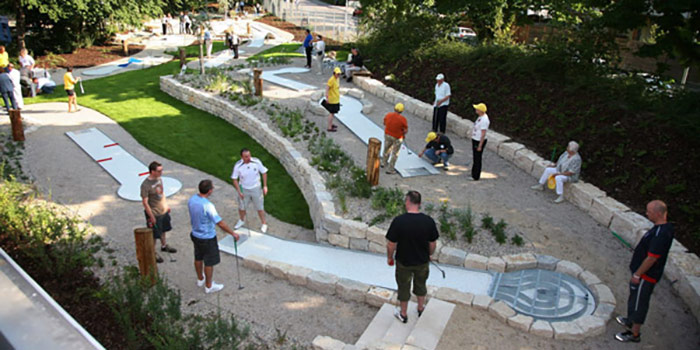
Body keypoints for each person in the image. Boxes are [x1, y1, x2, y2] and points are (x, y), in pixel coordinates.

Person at [614, 200, 673, 343]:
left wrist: (637, 274)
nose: (646, 214)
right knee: (634, 298)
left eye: (649, 212)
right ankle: (630, 320)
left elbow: (652, 258)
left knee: (640, 303)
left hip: (646, 276)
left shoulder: (661, 234)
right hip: (642, 274)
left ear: (658, 213)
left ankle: (634, 334)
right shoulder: (661, 228)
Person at [386, 190, 438, 323]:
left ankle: (403, 314)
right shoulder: (428, 221)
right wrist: (429, 255)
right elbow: (432, 243)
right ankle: (420, 308)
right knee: (421, 284)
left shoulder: (399, 221)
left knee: (403, 286)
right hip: (422, 261)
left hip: (404, 262)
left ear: (407, 202)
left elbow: (391, 244)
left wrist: (390, 257)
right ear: (420, 204)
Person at [188, 179, 240, 294]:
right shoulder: (208, 205)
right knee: (209, 262)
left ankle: (200, 279)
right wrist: (233, 233)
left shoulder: (192, 199)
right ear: (210, 191)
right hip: (207, 238)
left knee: (198, 257)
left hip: (195, 234)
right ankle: (209, 285)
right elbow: (220, 223)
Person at [141, 161, 177, 263]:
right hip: (154, 213)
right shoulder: (145, 185)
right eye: (159, 171)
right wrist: (151, 216)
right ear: (152, 171)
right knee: (154, 235)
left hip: (163, 211)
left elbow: (162, 193)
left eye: (161, 170)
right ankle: (152, 253)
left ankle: (164, 245)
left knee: (163, 229)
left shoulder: (159, 179)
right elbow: (145, 203)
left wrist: (166, 205)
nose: (161, 172)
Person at [231, 148, 269, 233]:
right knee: (242, 207)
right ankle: (241, 220)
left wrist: (265, 186)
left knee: (260, 207)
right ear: (241, 157)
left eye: (249, 156)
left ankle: (264, 223)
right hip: (244, 189)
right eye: (246, 157)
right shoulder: (238, 166)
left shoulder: (256, 162)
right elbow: (234, 179)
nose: (248, 158)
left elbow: (264, 172)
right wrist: (239, 191)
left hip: (256, 188)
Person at [382, 103, 408, 175]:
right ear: (402, 111)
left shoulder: (388, 115)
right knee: (395, 153)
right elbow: (405, 130)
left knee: (386, 148)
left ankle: (383, 162)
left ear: (394, 108)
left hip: (387, 135)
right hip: (397, 137)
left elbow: (384, 123)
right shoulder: (403, 119)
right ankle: (390, 169)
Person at [470, 103, 489, 180]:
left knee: (477, 158)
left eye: (477, 109)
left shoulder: (484, 120)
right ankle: (474, 172)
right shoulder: (480, 117)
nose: (476, 110)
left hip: (478, 141)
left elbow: (483, 133)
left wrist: (480, 145)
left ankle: (476, 175)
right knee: (475, 157)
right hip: (475, 139)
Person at [323, 67, 341, 132]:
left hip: (336, 98)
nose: (338, 75)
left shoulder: (337, 79)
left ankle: (331, 124)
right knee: (331, 113)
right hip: (332, 99)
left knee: (333, 113)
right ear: (334, 73)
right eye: (337, 74)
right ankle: (329, 127)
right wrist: (327, 97)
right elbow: (327, 88)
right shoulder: (331, 80)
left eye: (339, 74)